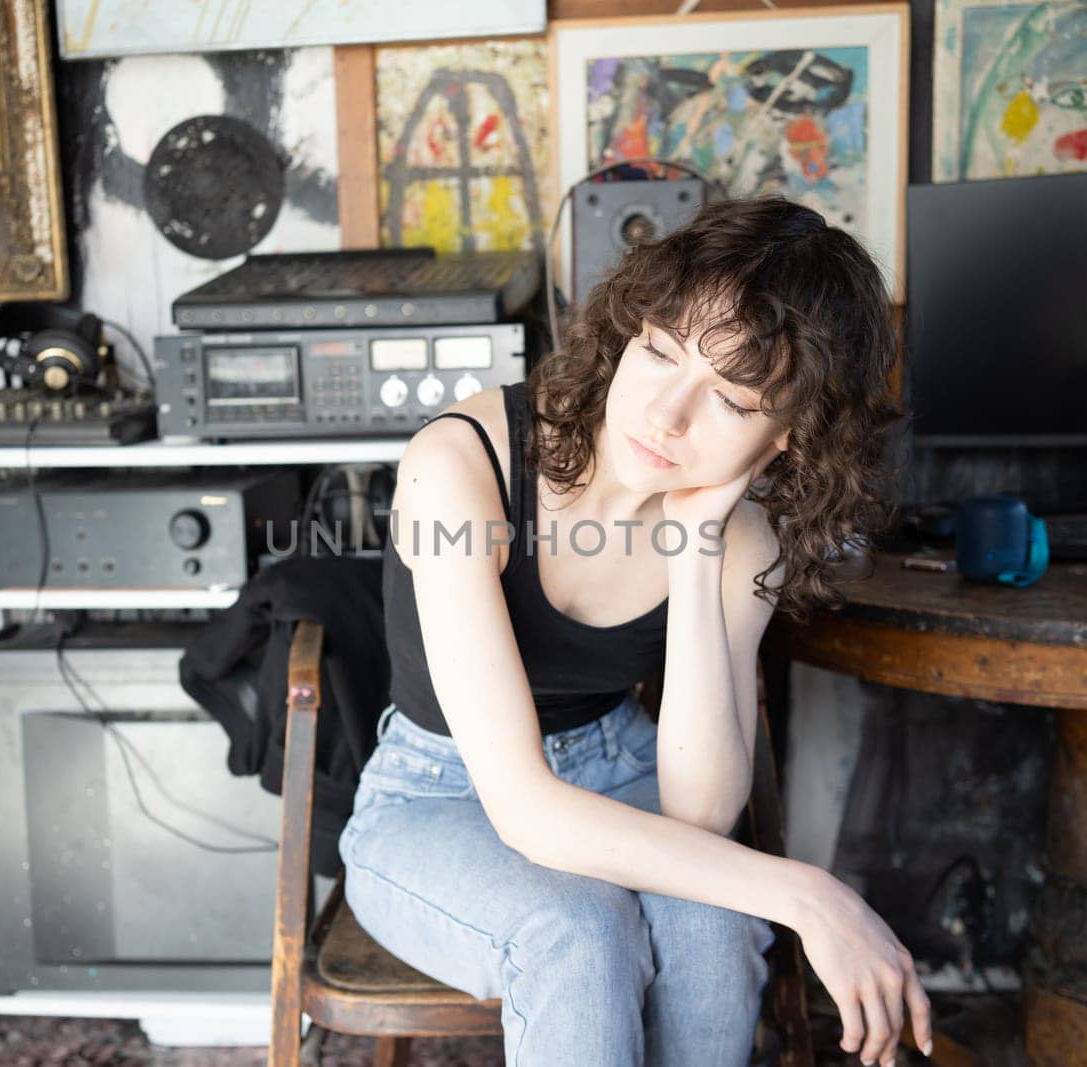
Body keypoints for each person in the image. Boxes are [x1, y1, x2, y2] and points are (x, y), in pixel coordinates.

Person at [337, 196, 931, 1067]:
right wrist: (808, 894)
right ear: (629, 330)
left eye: (730, 400)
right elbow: (528, 810)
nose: (666, 415)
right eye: (659, 351)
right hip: (434, 796)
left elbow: (698, 808)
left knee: (715, 925)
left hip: (621, 762)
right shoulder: (459, 465)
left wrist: (697, 548)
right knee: (579, 933)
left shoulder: (743, 533)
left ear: (786, 437)